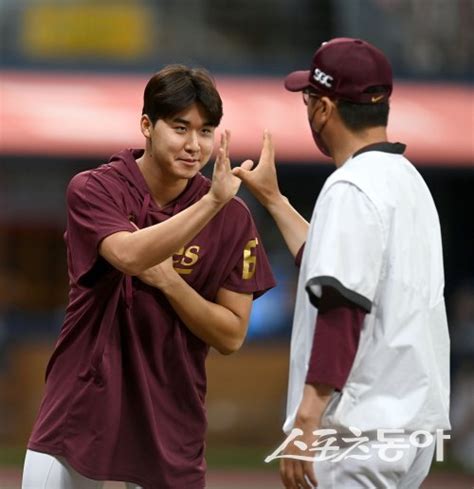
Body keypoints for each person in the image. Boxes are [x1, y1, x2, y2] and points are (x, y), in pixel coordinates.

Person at [22, 65, 275, 489]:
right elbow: (127, 255)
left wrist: (172, 282)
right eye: (180, 128)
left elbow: (231, 336)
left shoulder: (233, 218)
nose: (194, 145)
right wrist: (211, 204)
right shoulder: (95, 189)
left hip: (171, 419)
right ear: (146, 125)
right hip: (81, 410)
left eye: (206, 131)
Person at [234, 38, 450, 489]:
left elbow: (341, 306)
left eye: (309, 98)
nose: (307, 108)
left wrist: (306, 424)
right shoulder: (408, 181)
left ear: (325, 109)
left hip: (358, 436)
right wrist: (274, 200)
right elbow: (331, 264)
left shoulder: (350, 186)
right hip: (409, 431)